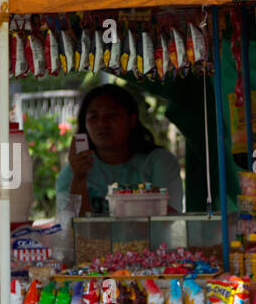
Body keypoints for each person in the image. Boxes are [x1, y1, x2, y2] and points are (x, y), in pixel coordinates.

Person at [55, 84, 183, 216]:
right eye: (93, 117)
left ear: (131, 120)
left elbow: (168, 220)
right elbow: (70, 227)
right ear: (85, 124)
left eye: (111, 115)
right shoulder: (73, 172)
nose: (102, 123)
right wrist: (79, 178)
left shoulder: (158, 162)